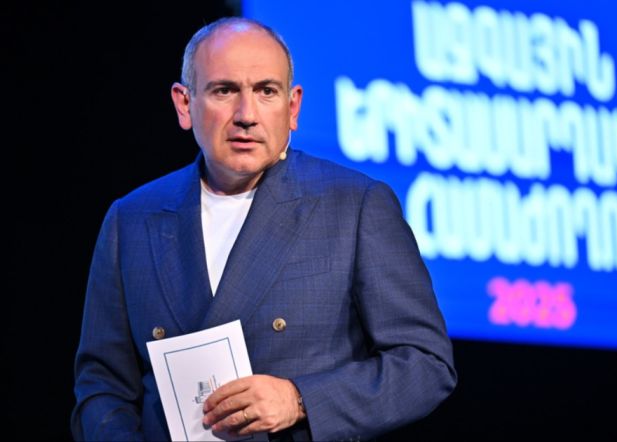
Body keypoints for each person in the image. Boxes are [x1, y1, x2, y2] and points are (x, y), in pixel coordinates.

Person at [71, 17, 456, 441]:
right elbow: (102, 384)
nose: (246, 115)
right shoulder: (132, 218)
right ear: (184, 104)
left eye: (266, 91)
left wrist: (300, 399)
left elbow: (425, 365)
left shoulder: (354, 206)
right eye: (224, 91)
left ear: (293, 107)